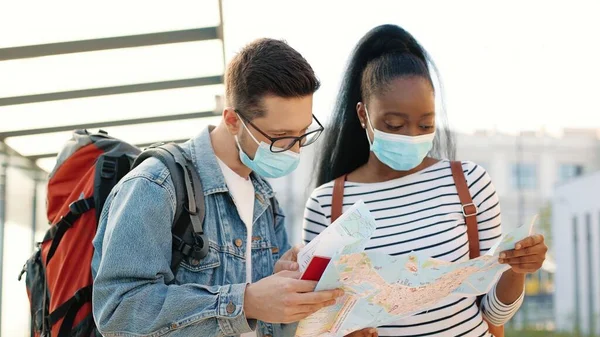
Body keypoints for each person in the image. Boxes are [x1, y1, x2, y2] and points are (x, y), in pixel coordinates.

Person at [303, 24, 548, 337]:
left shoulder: (469, 183)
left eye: (425, 124)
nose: (411, 137)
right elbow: (316, 320)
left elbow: (494, 312)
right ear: (363, 115)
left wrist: (517, 268)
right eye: (394, 124)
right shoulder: (326, 203)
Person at [92, 38, 344, 337]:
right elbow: (119, 312)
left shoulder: (264, 196)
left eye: (303, 133)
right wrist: (246, 302)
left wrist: (284, 287)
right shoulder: (155, 186)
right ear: (233, 120)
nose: (296, 150)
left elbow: (263, 317)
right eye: (281, 137)